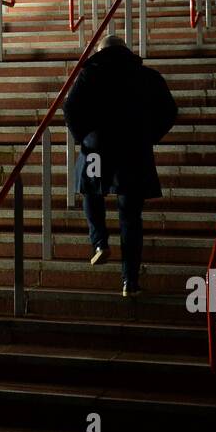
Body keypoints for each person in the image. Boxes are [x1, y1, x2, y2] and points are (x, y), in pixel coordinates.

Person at [63, 35, 178, 297]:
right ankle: (130, 282)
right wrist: (150, 136)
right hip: (133, 151)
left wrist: (84, 136)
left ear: (101, 51)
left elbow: (70, 107)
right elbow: (169, 110)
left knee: (90, 189)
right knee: (130, 215)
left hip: (96, 149)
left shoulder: (90, 74)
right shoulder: (146, 75)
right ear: (126, 51)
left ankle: (100, 242)